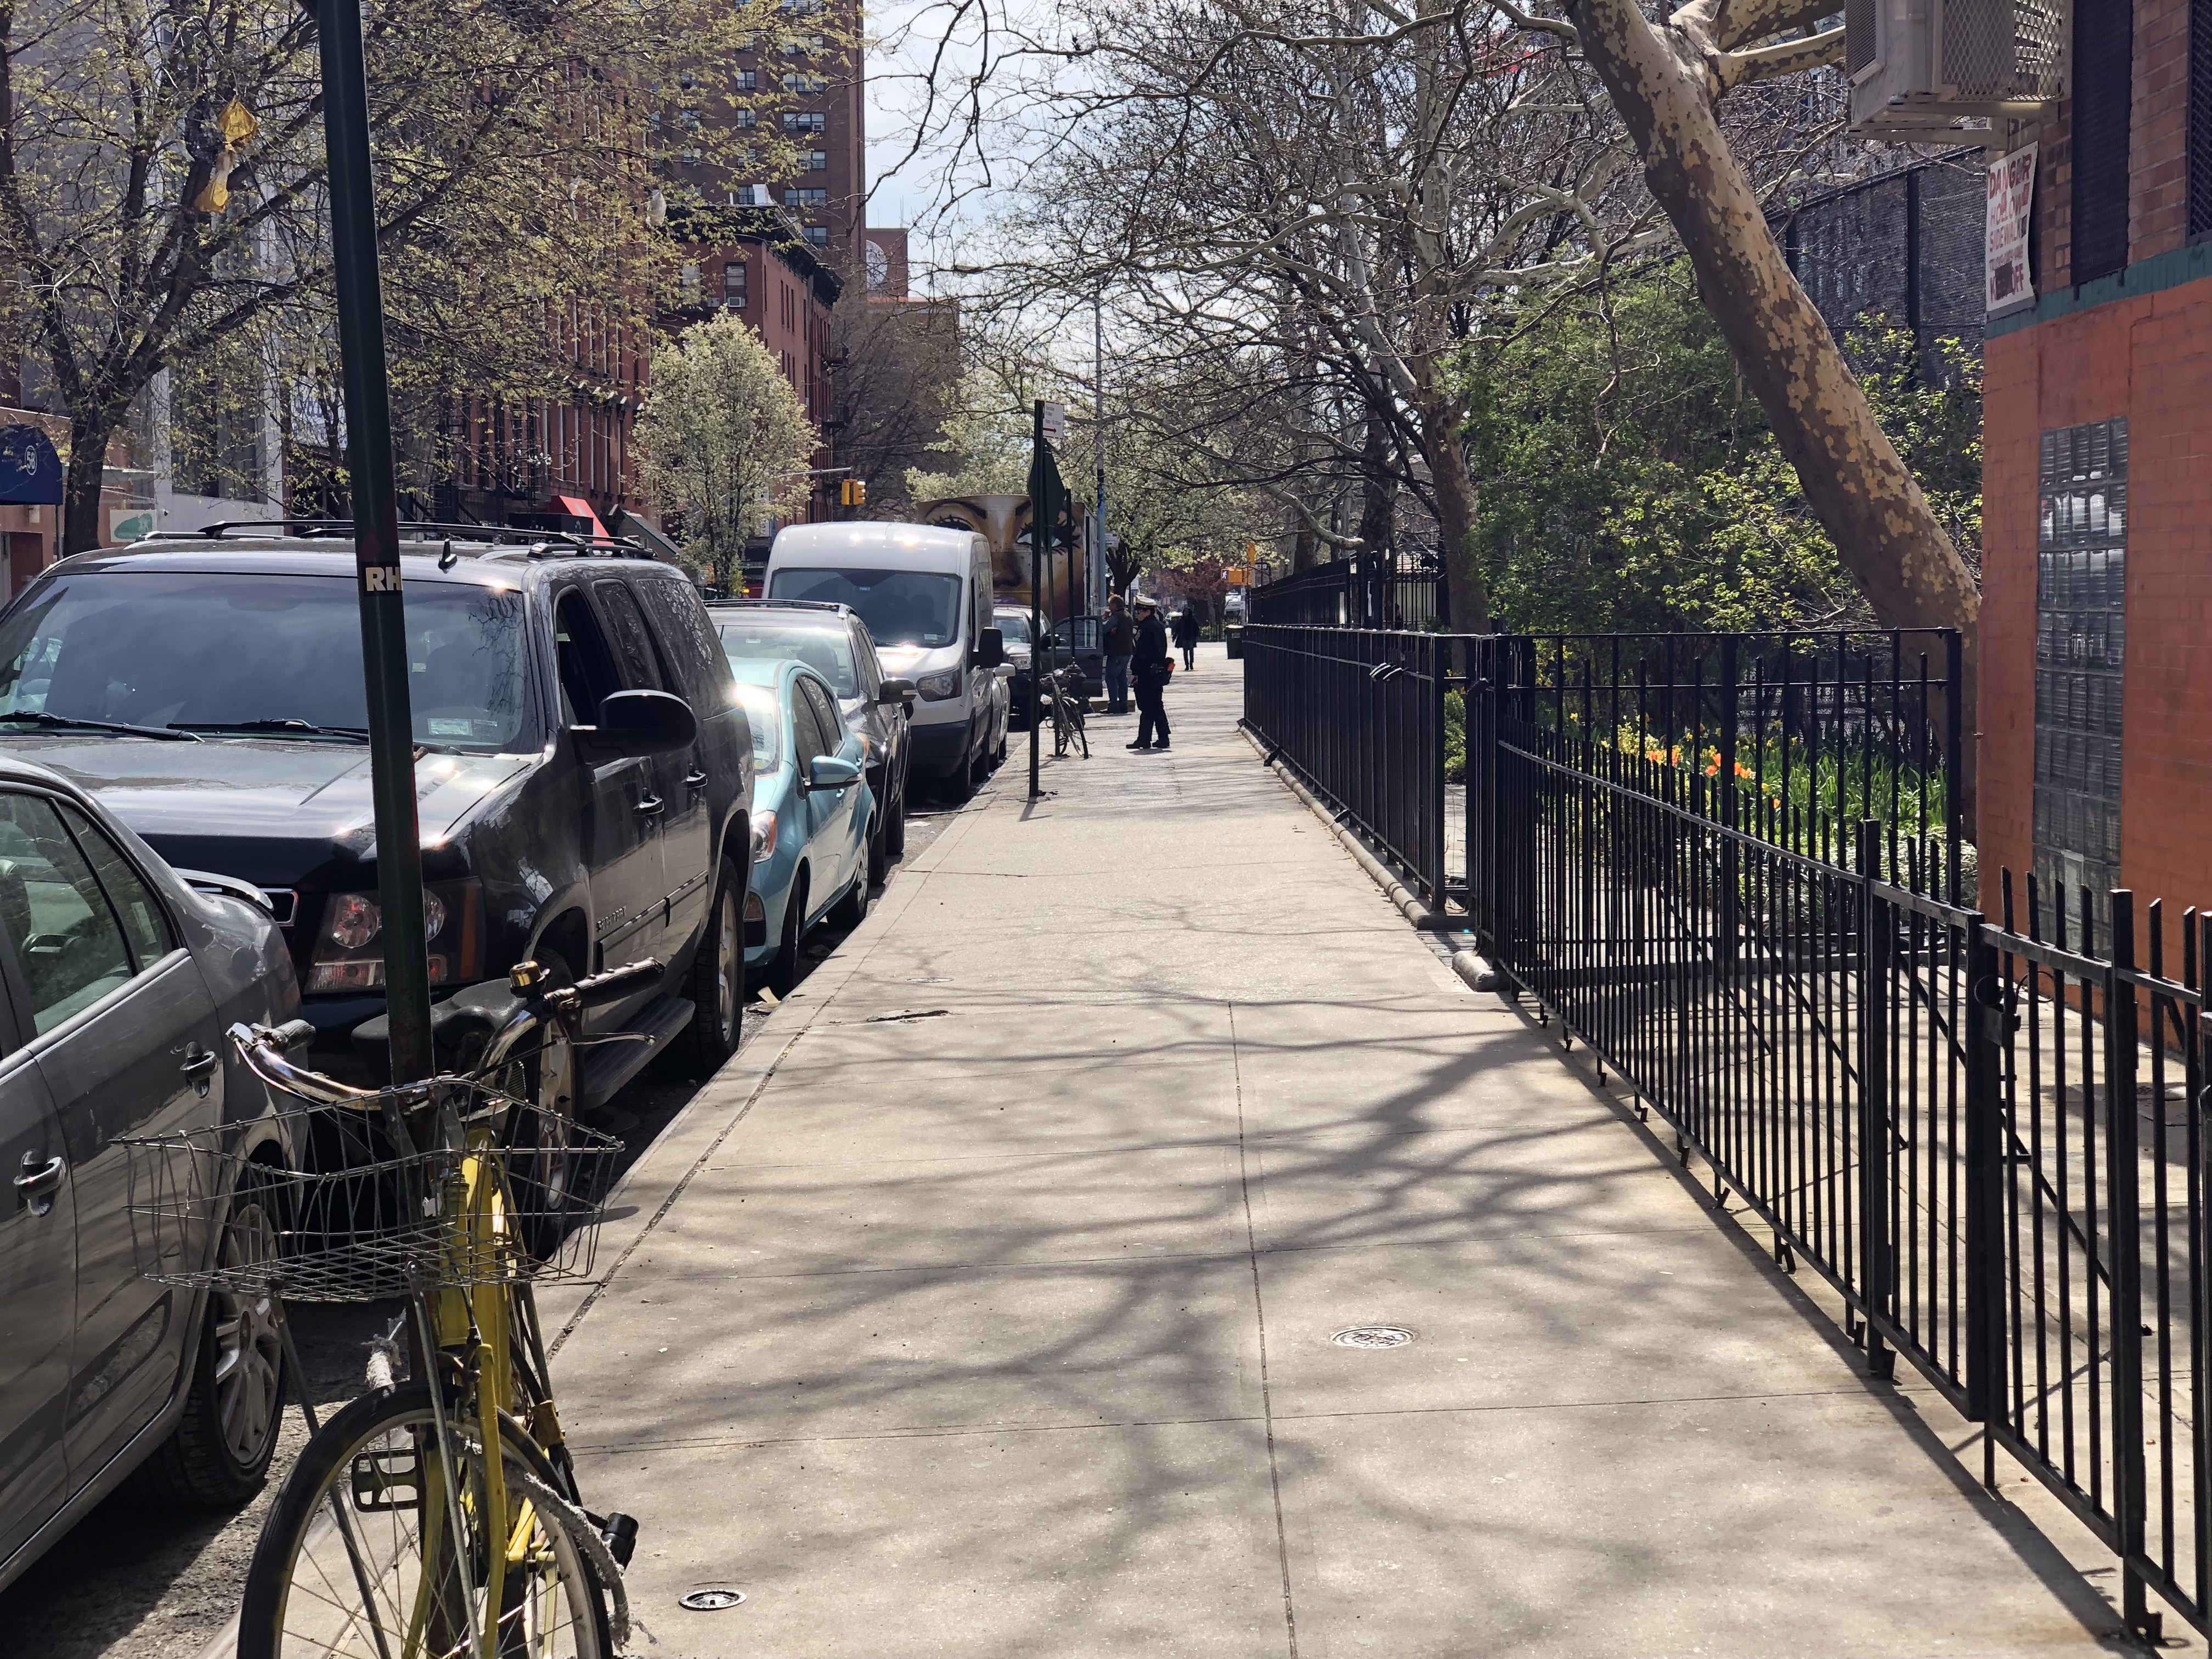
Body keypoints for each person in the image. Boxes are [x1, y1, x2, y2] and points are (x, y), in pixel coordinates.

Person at [1128, 594, 1172, 752]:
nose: (1137, 615)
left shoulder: (1147, 628)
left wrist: (1135, 670)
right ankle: (1163, 737)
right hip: (1156, 671)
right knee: (1156, 705)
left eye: (1139, 612)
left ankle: (1144, 739)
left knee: (1147, 707)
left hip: (1147, 672)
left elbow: (1142, 652)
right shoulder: (1157, 626)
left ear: (1148, 612)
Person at [1100, 592, 1134, 715]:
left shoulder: (1116, 617)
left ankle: (1113, 705)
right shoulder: (1127, 615)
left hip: (1117, 652)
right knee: (1122, 679)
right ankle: (1123, 705)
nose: (1109, 607)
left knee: (1111, 678)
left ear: (1115, 605)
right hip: (1127, 651)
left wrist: (1104, 619)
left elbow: (1104, 628)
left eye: (1110, 605)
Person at [1171, 607, 1201, 671]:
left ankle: (1191, 664)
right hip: (1184, 638)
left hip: (1191, 638)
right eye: (1185, 612)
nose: (1186, 613)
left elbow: (1197, 629)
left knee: (1191, 652)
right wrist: (1174, 637)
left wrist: (1198, 636)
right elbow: (1178, 629)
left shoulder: (1193, 620)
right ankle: (1187, 665)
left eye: (1187, 612)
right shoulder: (1181, 620)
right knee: (1185, 653)